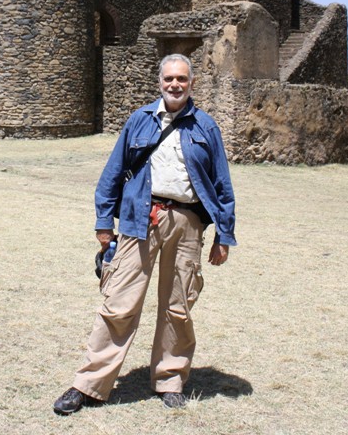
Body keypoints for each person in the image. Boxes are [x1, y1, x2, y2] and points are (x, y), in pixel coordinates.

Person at [53, 53, 236, 414]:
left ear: (192, 83)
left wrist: (224, 236)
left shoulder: (206, 128)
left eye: (182, 79)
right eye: (169, 79)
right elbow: (112, 173)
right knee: (119, 303)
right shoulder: (139, 121)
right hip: (140, 217)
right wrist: (104, 223)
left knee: (178, 307)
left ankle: (170, 379)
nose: (175, 85)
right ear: (159, 81)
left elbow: (222, 186)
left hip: (187, 224)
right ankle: (88, 384)